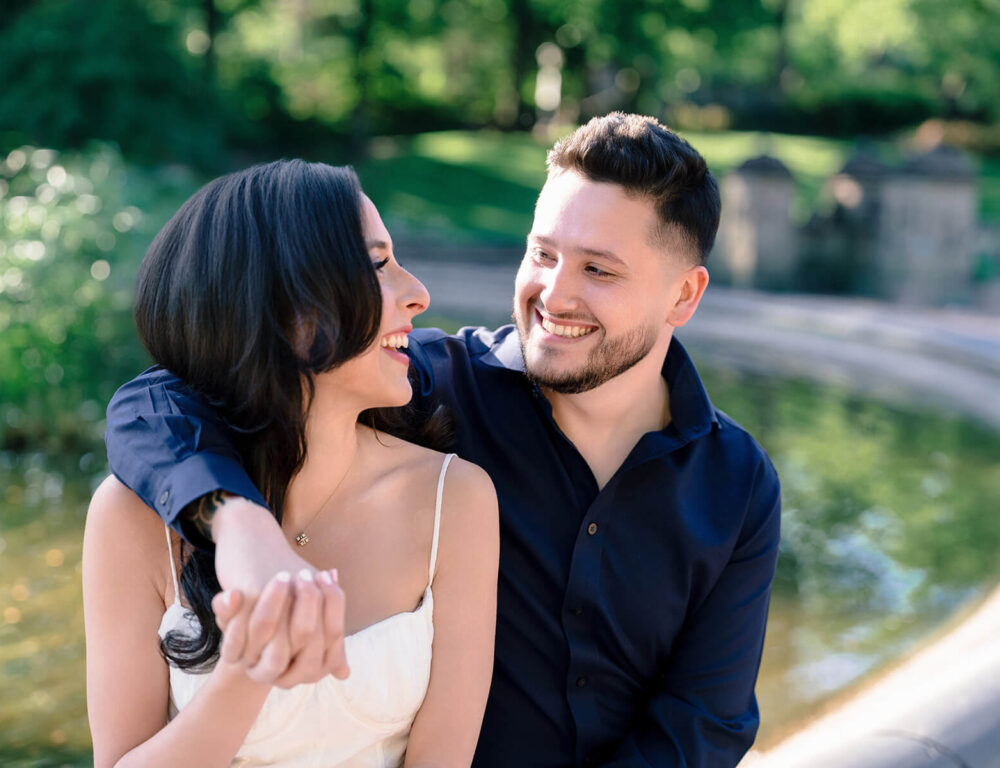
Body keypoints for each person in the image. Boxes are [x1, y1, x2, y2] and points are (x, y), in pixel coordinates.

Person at [105, 113, 781, 767]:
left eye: (598, 270)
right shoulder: (432, 383)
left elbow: (704, 726)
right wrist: (234, 517)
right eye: (543, 254)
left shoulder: (738, 482)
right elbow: (159, 400)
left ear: (683, 296)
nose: (553, 295)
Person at [83, 160, 499, 768]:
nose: (419, 293)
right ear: (281, 308)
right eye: (377, 265)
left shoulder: (454, 499)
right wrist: (249, 670)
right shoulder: (129, 516)